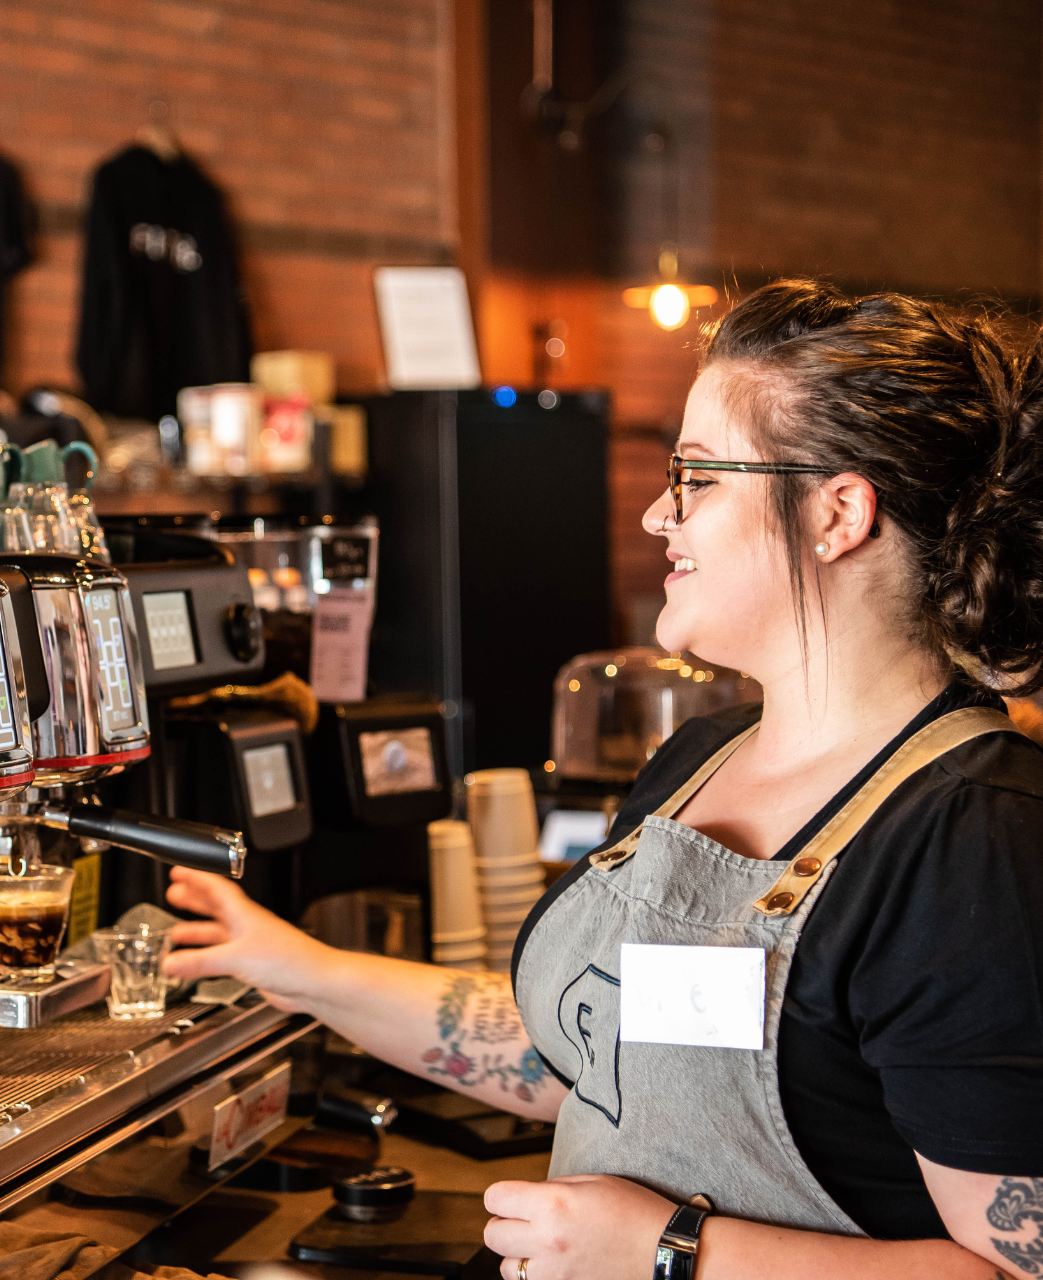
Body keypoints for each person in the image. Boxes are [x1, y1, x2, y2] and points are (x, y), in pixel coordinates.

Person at [163, 280, 1043, 1280]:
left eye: (697, 478)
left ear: (836, 511)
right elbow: (596, 1058)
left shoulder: (974, 840)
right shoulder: (695, 759)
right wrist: (288, 963)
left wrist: (668, 1250)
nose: (655, 512)